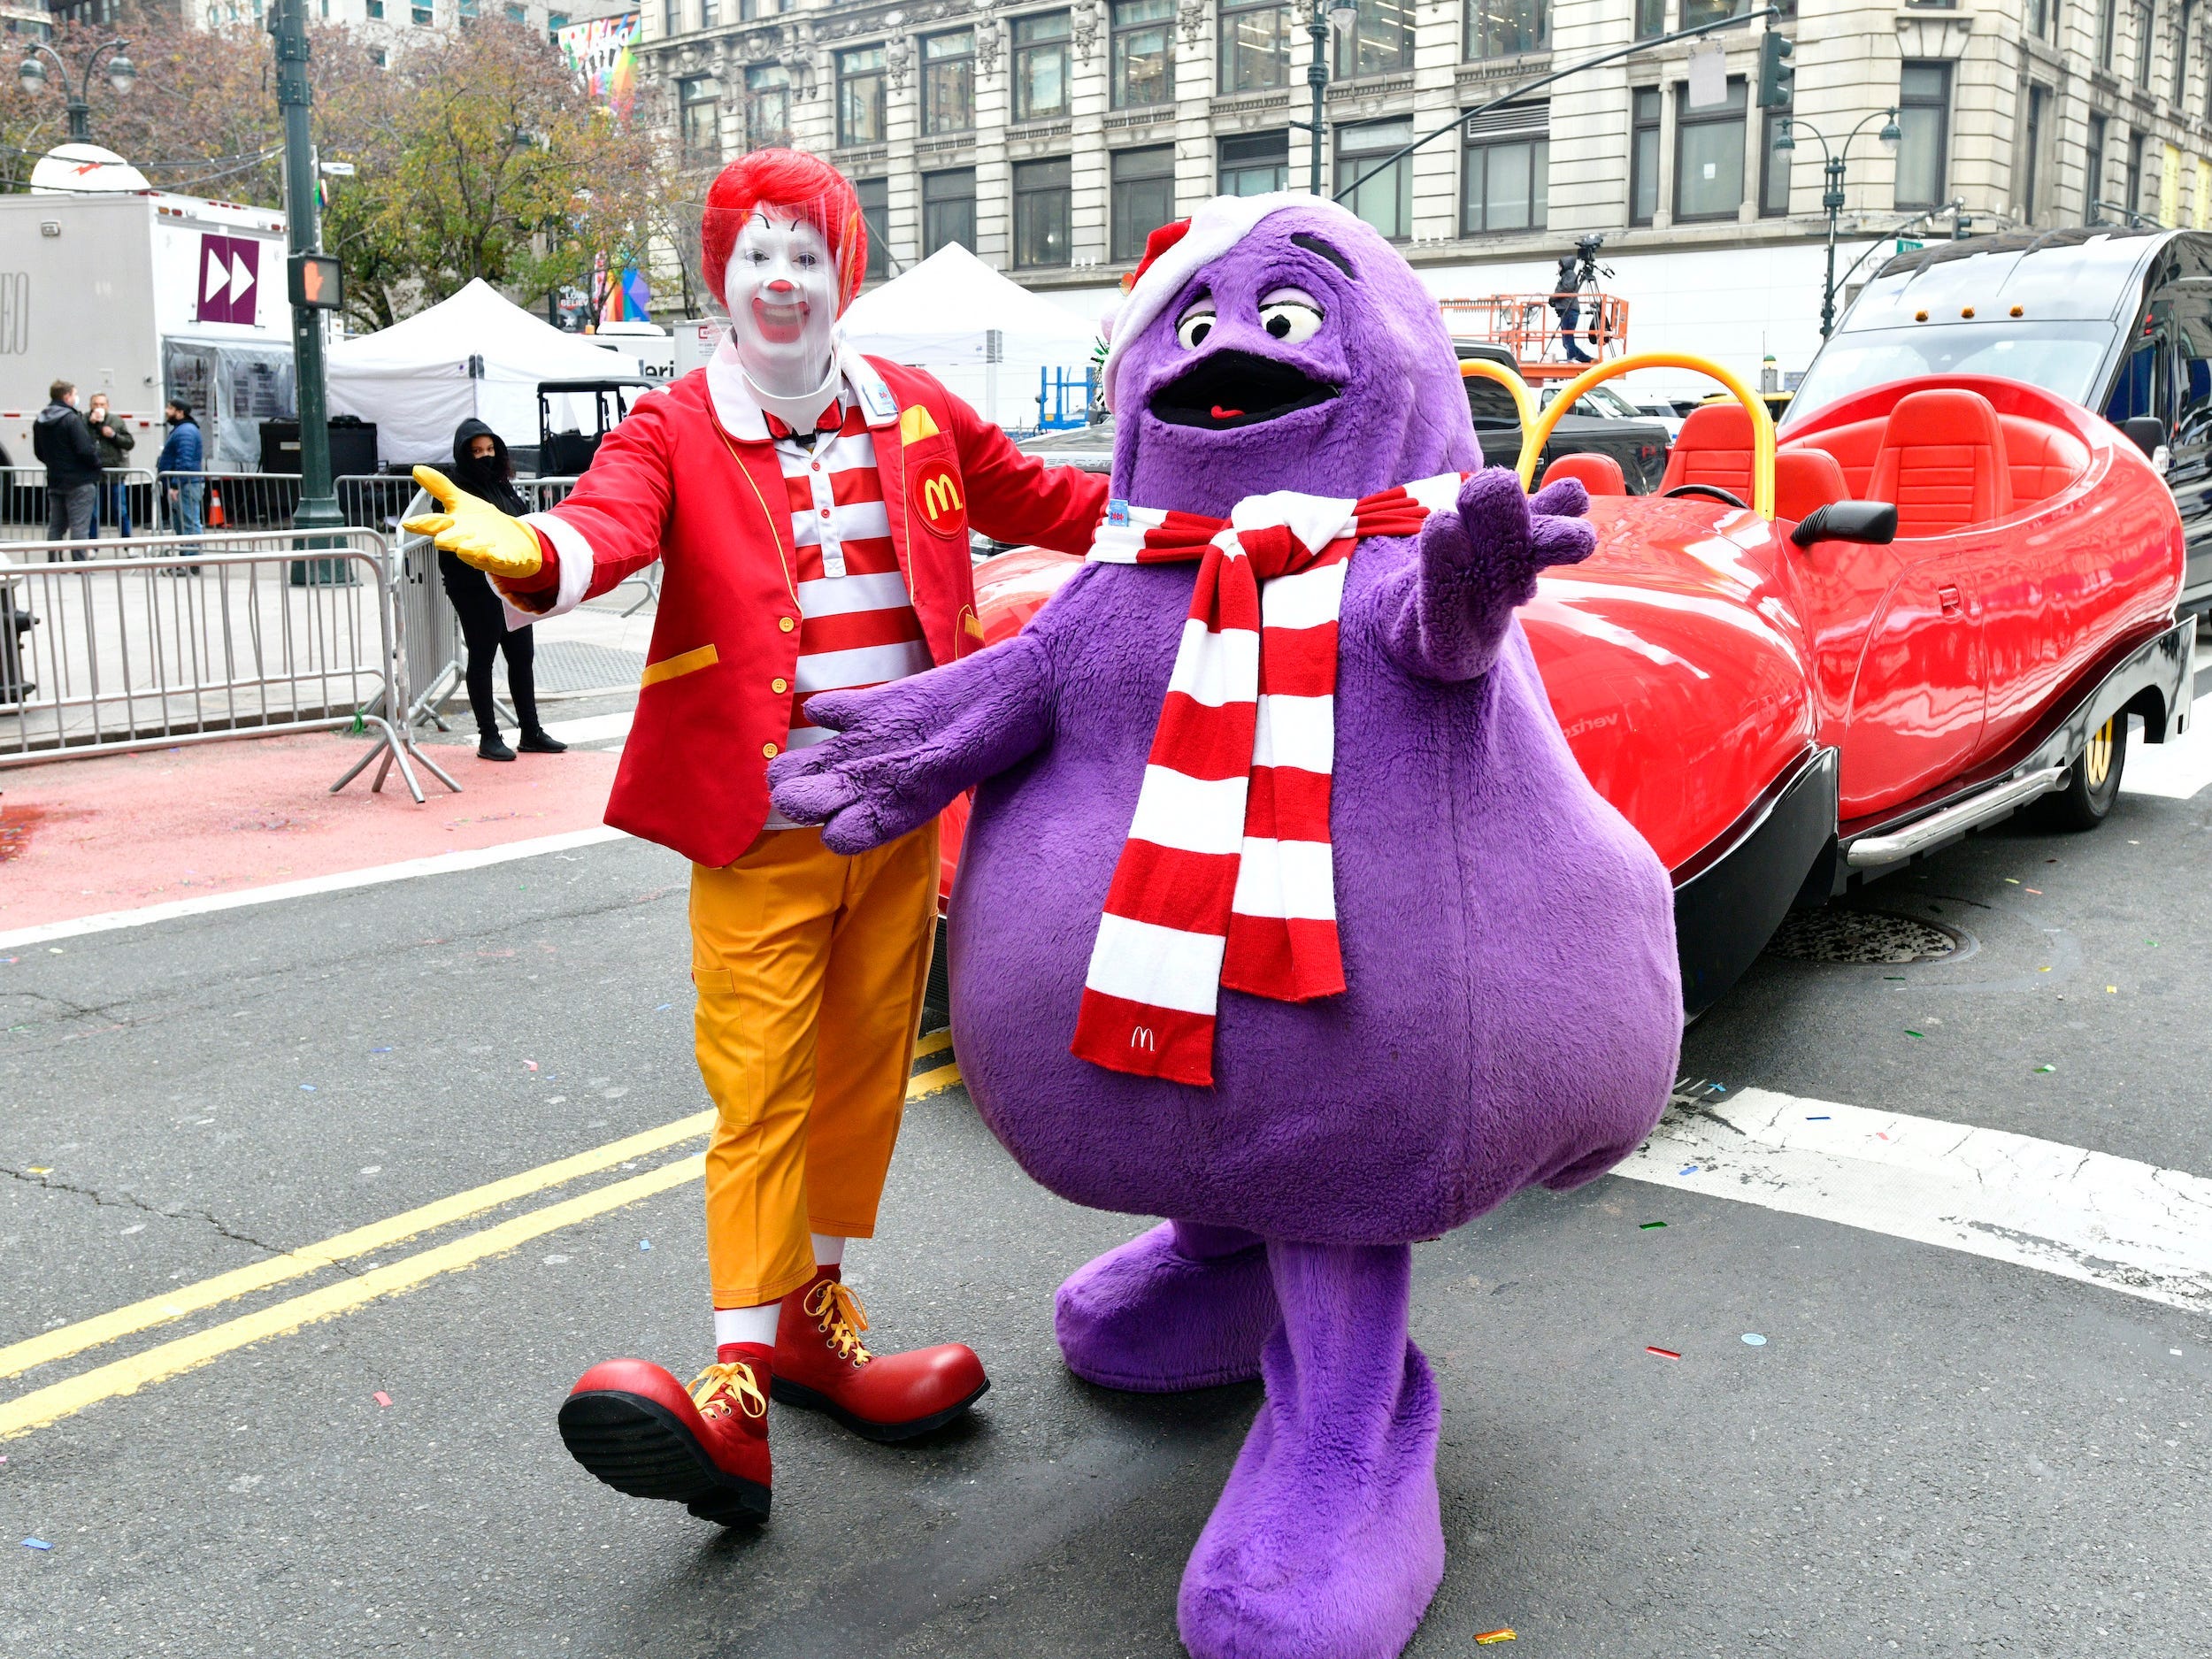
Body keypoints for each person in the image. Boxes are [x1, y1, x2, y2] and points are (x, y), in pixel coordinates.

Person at [406, 147, 1109, 1528]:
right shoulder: (673, 425)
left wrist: (1223, 500)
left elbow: (1054, 499)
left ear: (843, 270)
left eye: (806, 254)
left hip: (900, 801)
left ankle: (812, 1317)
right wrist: (535, 551)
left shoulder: (916, 410)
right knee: (762, 1085)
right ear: (722, 278)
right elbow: (607, 528)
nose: (781, 281)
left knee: (861, 1075)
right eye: (755, 257)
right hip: (762, 818)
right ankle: (734, 1377)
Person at [435, 419, 567, 762]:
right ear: (464, 453)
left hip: (510, 585)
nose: (485, 456)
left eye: (490, 450)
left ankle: (531, 731)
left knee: (522, 656)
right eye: (477, 451)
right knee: (483, 656)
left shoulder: (502, 484)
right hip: (474, 586)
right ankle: (488, 736)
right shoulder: (454, 489)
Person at [32, 380, 100, 558]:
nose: (76, 398)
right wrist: (96, 464)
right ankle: (78, 564)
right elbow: (85, 450)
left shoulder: (40, 420)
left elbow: (39, 452)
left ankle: (54, 562)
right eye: (75, 394)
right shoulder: (71, 419)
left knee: (56, 526)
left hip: (55, 479)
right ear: (67, 396)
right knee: (79, 526)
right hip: (79, 480)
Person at [156, 399, 204, 549]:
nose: (166, 411)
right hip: (185, 484)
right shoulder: (183, 429)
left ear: (180, 412)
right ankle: (188, 557)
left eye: (170, 408)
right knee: (182, 523)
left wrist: (176, 484)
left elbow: (185, 461)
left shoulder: (185, 431)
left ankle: (191, 559)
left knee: (188, 523)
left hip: (185, 485)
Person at [85, 392, 134, 536]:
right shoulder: (83, 420)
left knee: (121, 511)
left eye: (102, 404)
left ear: (108, 406)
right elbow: (80, 440)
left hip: (115, 474)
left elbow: (129, 443)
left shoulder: (116, 421)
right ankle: (92, 546)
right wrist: (91, 424)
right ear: (91, 406)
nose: (99, 407)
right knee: (93, 513)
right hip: (93, 475)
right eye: (96, 404)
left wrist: (114, 436)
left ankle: (128, 544)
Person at [1552, 251, 1593, 365]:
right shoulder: (1567, 275)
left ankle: (1574, 358)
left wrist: (1553, 298)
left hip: (1569, 310)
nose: (1558, 268)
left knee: (1568, 339)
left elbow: (1566, 288)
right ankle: (1585, 359)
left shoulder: (1569, 274)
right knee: (1567, 340)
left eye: (1560, 265)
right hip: (1567, 310)